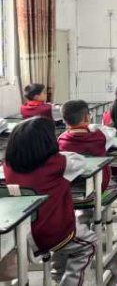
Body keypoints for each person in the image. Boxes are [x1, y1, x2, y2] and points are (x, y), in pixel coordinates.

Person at [3, 118, 96, 286]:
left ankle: (58, 275)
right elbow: (81, 162)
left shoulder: (8, 165)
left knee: (67, 246)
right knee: (88, 244)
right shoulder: (59, 163)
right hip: (51, 231)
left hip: (21, 233)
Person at [58, 100, 116, 191]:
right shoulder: (101, 136)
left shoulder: (61, 139)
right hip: (99, 184)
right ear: (87, 117)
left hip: (72, 186)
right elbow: (112, 131)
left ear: (64, 120)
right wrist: (92, 126)